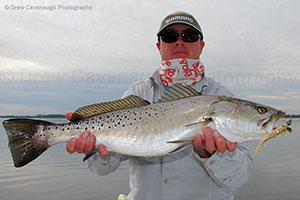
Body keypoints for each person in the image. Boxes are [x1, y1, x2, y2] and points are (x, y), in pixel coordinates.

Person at [66, 11, 254, 200]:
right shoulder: (138, 93)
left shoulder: (224, 99)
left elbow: (238, 178)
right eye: (169, 36)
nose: (179, 42)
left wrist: (211, 154)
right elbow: (101, 169)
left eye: (189, 36)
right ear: (159, 45)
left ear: (201, 45)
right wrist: (94, 148)